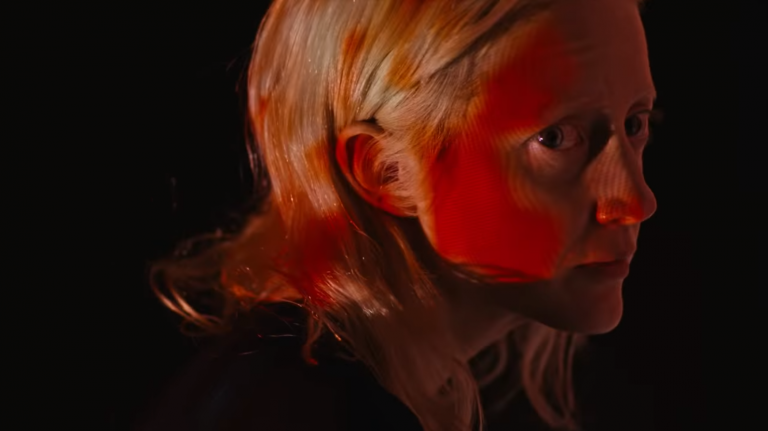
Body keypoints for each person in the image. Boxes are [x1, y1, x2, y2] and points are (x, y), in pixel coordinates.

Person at [143, 0, 658, 429]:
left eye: (635, 124)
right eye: (556, 138)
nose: (636, 202)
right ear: (384, 171)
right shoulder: (310, 409)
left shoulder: (296, 382)